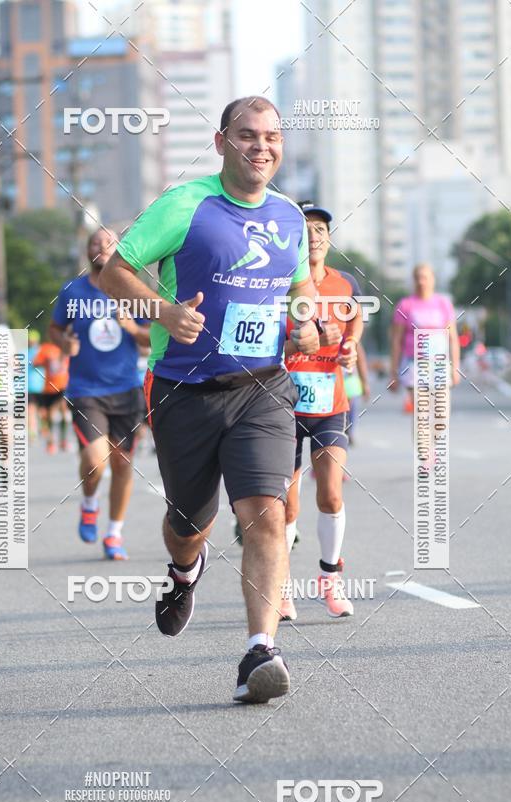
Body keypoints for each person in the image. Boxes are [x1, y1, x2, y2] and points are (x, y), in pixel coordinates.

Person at [99, 96, 322, 704]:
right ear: (222, 141)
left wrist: (305, 321)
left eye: (272, 136)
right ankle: (184, 570)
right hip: (184, 390)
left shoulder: (288, 218)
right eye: (248, 136)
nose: (262, 147)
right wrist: (164, 310)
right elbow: (113, 270)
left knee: (267, 512)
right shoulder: (186, 205)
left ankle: (260, 650)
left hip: (263, 387)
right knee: (189, 523)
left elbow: (300, 285)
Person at [282, 201, 363, 621]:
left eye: (321, 229)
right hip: (282, 406)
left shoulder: (344, 283)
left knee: (331, 490)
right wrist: (299, 344)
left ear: (329, 239)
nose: (315, 235)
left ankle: (330, 580)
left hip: (330, 403)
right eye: (307, 229)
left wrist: (348, 346)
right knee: (288, 507)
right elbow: (259, 346)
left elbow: (355, 323)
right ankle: (280, 588)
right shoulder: (279, 285)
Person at [49, 228, 150, 560]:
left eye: (108, 243)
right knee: (95, 460)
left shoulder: (130, 291)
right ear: (87, 251)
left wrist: (133, 329)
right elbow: (54, 328)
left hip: (126, 389)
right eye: (95, 243)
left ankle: (114, 533)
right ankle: (89, 503)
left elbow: (154, 336)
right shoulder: (72, 291)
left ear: (120, 249)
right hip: (86, 389)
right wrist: (65, 343)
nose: (101, 247)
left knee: (123, 463)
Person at [390, 263, 460, 408]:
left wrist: (455, 368)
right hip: (414, 364)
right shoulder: (405, 305)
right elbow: (397, 341)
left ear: (433, 279)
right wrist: (394, 373)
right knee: (422, 417)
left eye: (425, 278)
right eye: (417, 278)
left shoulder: (443, 304)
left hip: (439, 364)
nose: (421, 281)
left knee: (440, 415)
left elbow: (453, 338)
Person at [33, 340, 70, 453]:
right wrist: (46, 362)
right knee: (49, 415)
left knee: (63, 411)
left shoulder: (67, 347)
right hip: (49, 388)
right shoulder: (46, 348)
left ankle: (63, 440)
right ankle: (51, 442)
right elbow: (35, 363)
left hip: (63, 387)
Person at [345, 343, 371, 446]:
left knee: (351, 407)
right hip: (333, 380)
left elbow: (361, 360)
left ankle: (349, 431)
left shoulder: (351, 339)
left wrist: (365, 383)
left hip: (349, 379)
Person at [27, 329, 45, 443]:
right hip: (29, 386)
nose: (31, 342)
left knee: (42, 410)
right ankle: (32, 432)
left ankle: (44, 428)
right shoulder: (24, 351)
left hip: (41, 385)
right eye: (30, 340)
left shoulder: (41, 351)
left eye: (33, 340)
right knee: (31, 410)